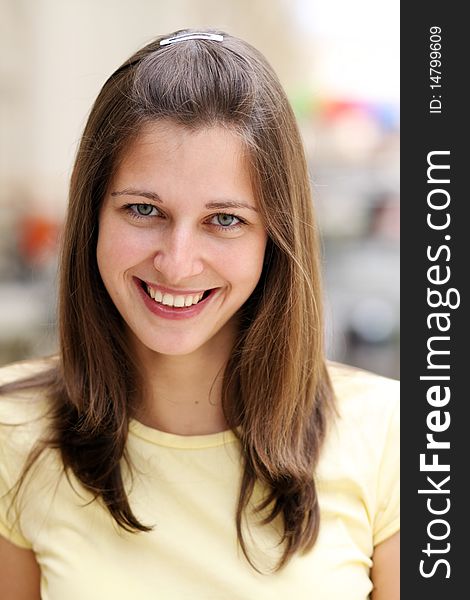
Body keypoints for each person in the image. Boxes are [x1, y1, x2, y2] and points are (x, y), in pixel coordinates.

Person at [0, 29, 399, 599]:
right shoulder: (10, 432)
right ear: (92, 217)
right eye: (144, 209)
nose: (177, 263)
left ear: (275, 237)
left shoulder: (399, 435)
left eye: (225, 219)